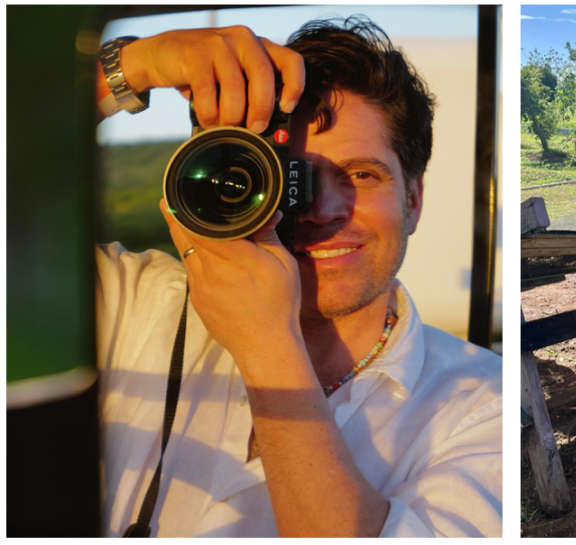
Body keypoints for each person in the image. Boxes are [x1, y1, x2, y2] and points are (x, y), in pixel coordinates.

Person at [94, 18, 501, 537]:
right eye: (286, 175)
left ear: (413, 201)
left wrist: (268, 345)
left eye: (360, 175)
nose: (322, 209)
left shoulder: (483, 403)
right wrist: (133, 66)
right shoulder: (135, 305)